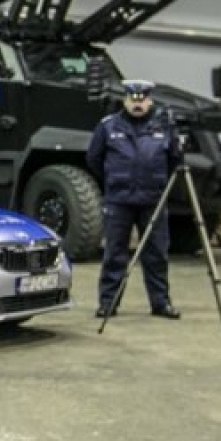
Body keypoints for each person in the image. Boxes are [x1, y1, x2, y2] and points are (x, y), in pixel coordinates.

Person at [86, 79, 184, 320]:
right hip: (119, 200)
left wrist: (158, 182)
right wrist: (113, 181)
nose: (137, 104)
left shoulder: (165, 126)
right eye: (132, 100)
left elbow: (175, 160)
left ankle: (161, 303)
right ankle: (108, 303)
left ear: (150, 100)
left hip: (153, 200)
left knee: (156, 254)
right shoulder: (108, 127)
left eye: (142, 100)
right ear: (125, 100)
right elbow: (94, 159)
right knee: (115, 253)